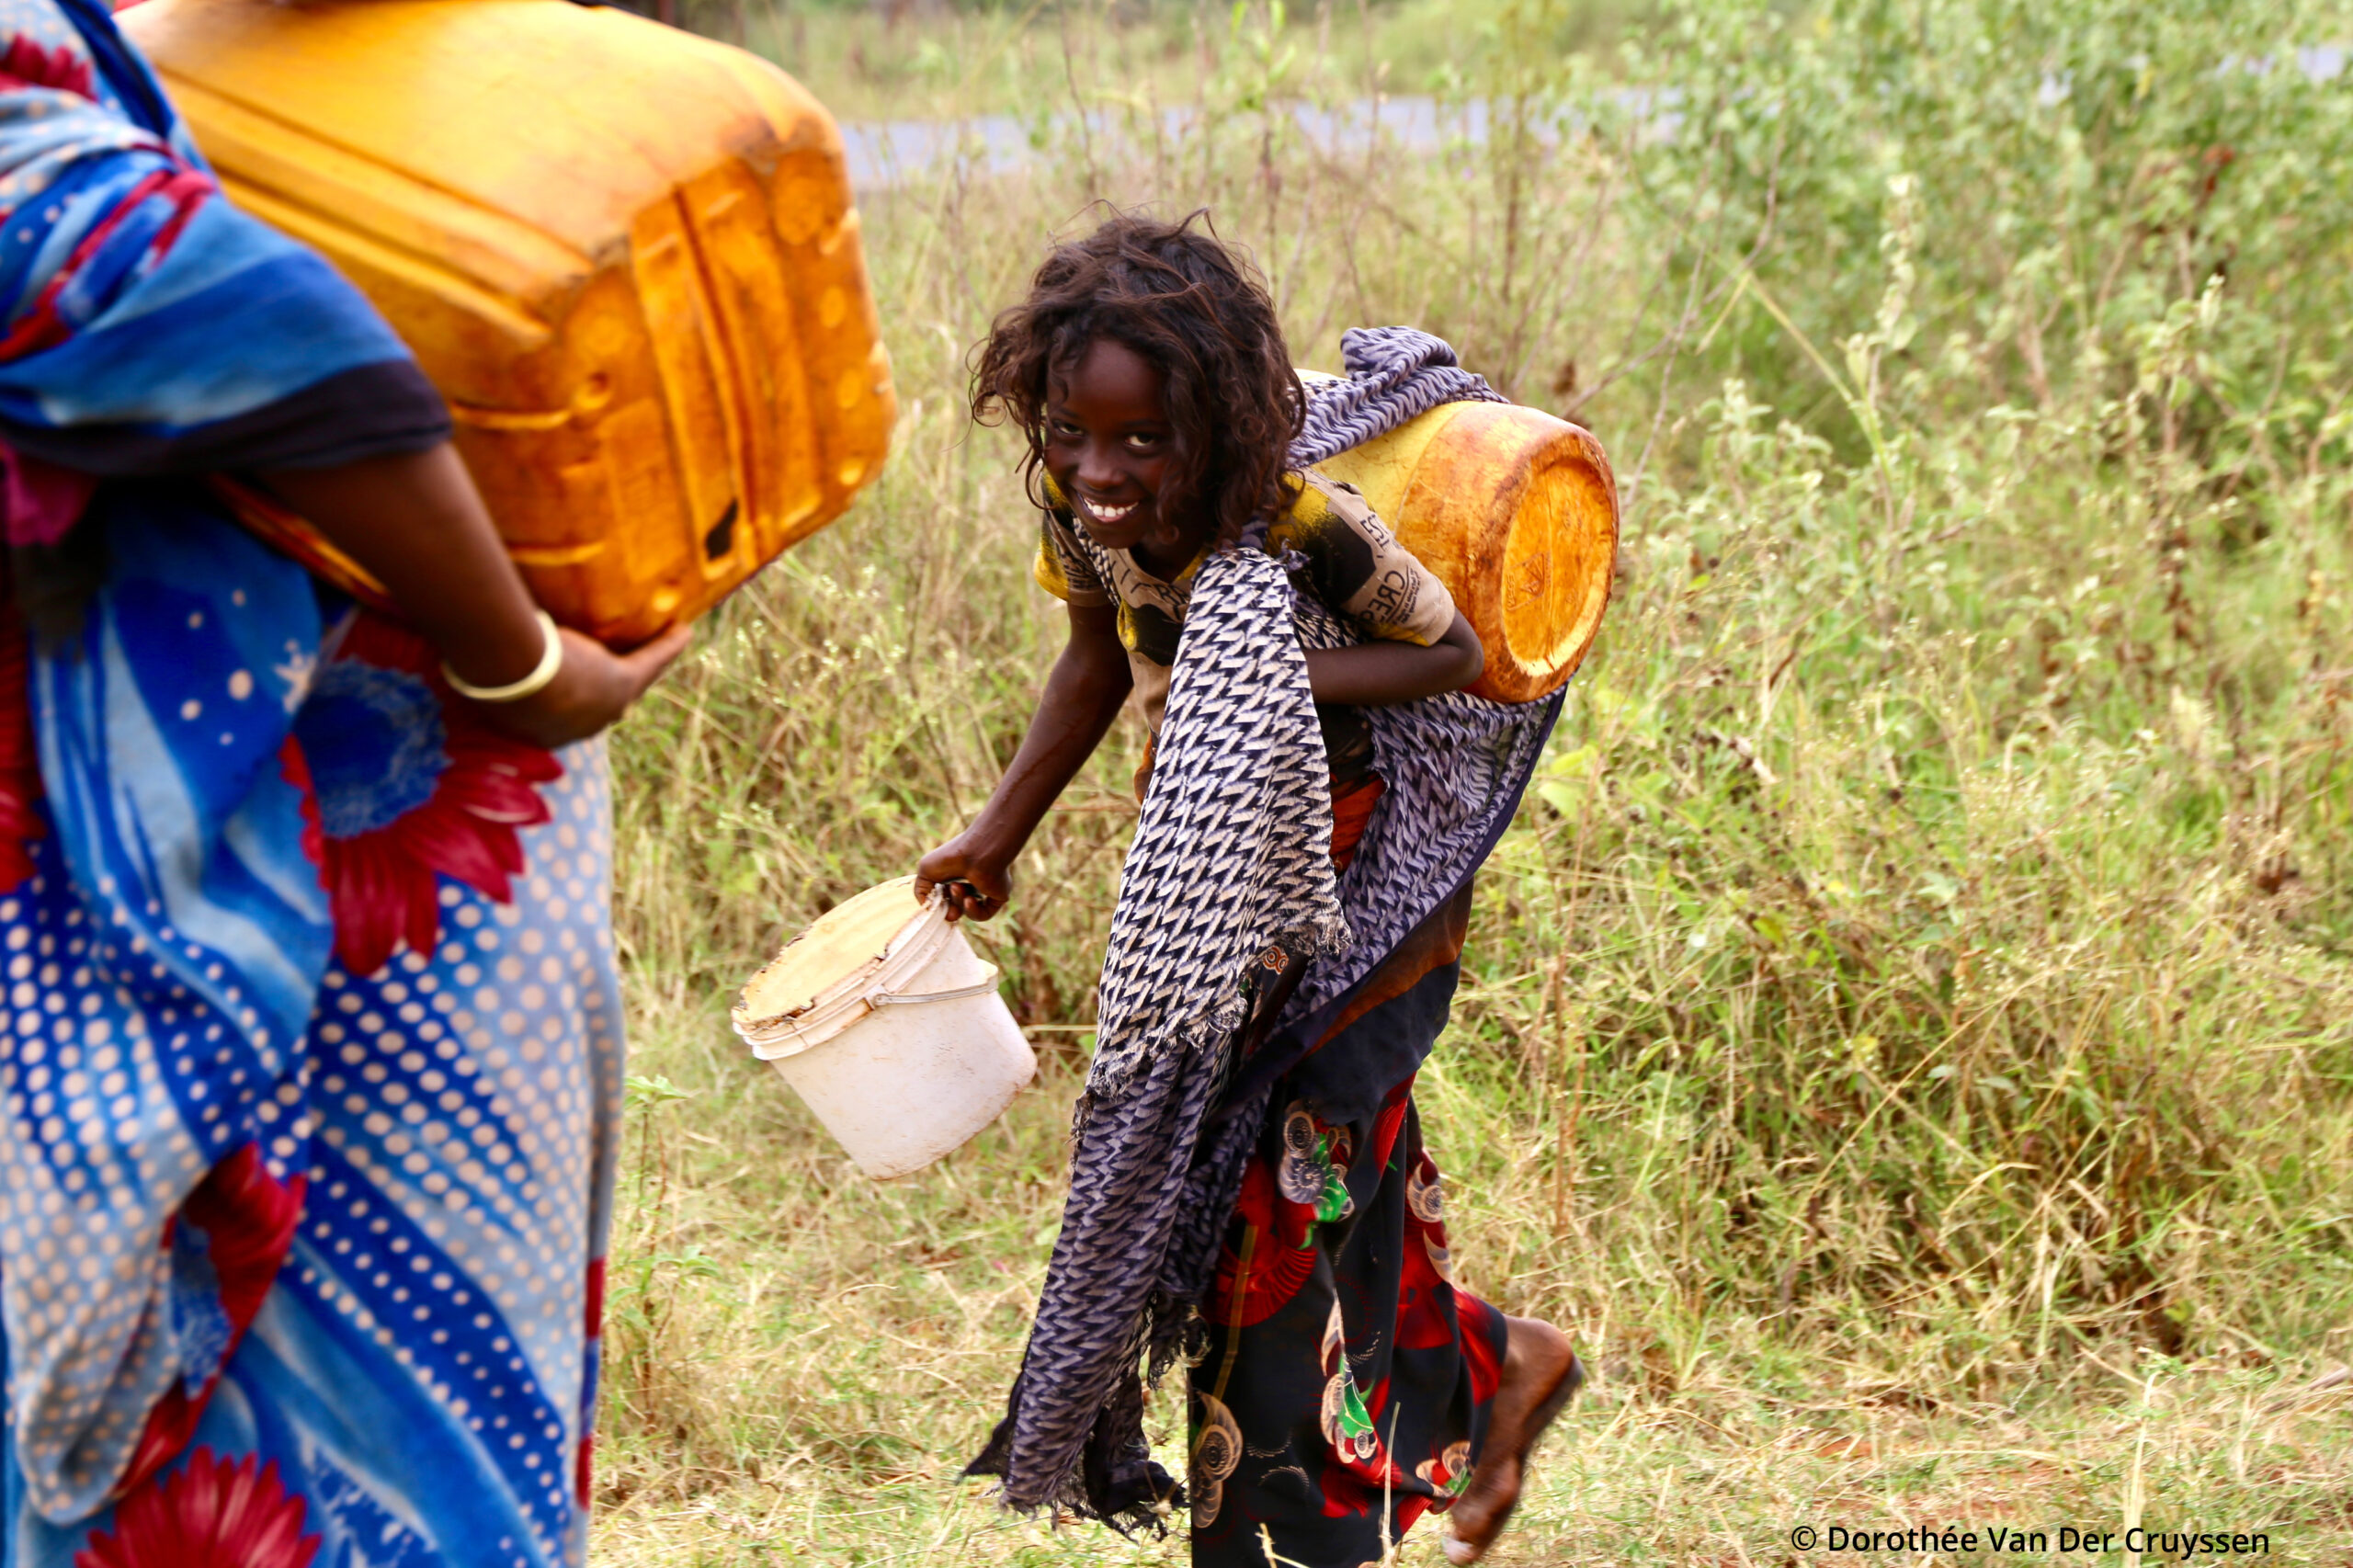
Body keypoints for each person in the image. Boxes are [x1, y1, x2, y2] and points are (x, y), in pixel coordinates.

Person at [0, 2, 685, 1562]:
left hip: (369, 873)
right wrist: (519, 655)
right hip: (292, 882)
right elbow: (200, 299)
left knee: (409, 1408)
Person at [917, 212, 1581, 1568]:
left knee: (1266, 1205)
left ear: (1213, 426)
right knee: (1326, 1185)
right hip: (1218, 891)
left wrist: (1258, 677)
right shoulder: (1082, 510)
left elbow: (1446, 653)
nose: (1100, 471)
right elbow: (1096, 659)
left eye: (1139, 441)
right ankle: (1502, 1363)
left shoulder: (1292, 516)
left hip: (1354, 896)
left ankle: (1276, 1542)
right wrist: (997, 833)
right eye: (1068, 432)